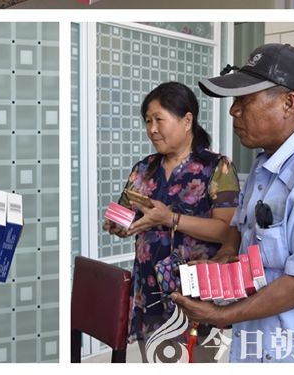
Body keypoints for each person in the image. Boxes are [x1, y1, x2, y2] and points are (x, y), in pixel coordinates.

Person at [172, 43, 294, 363]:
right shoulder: (264, 165)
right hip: (257, 345)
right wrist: (224, 260)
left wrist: (220, 315)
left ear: (288, 103)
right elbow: (242, 230)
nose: (233, 111)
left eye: (245, 100)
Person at [103, 82, 240, 361]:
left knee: (198, 361)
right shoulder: (144, 168)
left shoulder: (216, 167)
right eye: (148, 121)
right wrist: (118, 225)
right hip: (150, 290)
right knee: (154, 359)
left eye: (159, 119)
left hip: (199, 294)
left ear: (187, 120)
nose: (152, 129)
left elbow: (226, 231)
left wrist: (170, 218)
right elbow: (126, 214)